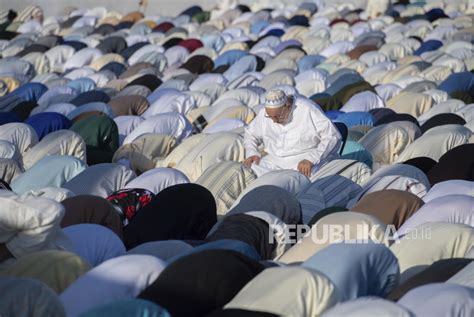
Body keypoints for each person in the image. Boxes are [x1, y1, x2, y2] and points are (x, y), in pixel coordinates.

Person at [243, 89, 341, 177]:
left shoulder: (307, 109)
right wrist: (252, 153)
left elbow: (332, 136)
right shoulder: (265, 114)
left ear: (288, 106)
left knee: (305, 176)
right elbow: (250, 134)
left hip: (305, 158)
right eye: (270, 117)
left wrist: (311, 159)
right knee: (249, 171)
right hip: (274, 161)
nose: (274, 121)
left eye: (278, 116)